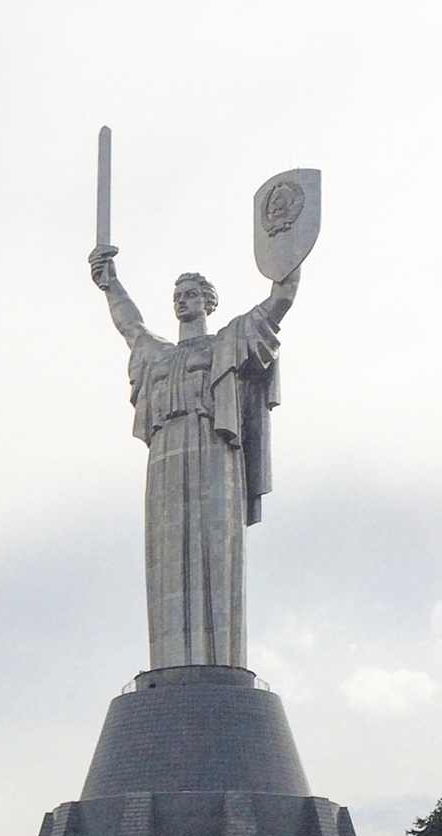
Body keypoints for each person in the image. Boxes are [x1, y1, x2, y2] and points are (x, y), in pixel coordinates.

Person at [89, 245, 299, 669]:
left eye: (189, 294)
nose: (181, 300)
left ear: (208, 302)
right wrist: (110, 283)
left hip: (214, 448)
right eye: (177, 295)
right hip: (166, 457)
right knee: (169, 554)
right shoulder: (159, 354)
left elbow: (280, 301)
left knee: (214, 548)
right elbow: (130, 325)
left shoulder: (229, 340)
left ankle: (218, 660)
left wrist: (289, 253)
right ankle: (171, 663)